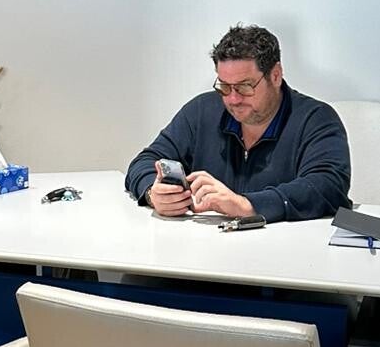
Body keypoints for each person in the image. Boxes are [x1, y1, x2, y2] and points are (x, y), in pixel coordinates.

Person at [125, 24, 351, 223]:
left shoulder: (316, 119)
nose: (233, 99)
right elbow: (144, 161)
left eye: (244, 86)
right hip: (204, 249)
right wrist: (153, 193)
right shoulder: (201, 111)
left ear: (275, 75)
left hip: (284, 252)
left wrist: (246, 205)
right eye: (224, 86)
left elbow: (328, 186)